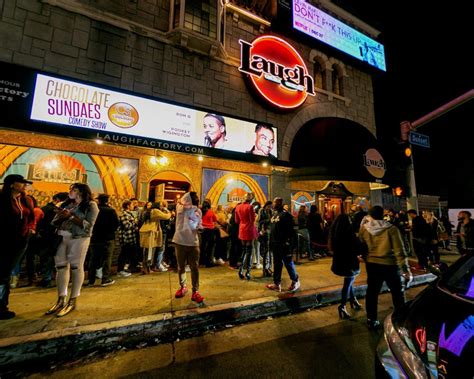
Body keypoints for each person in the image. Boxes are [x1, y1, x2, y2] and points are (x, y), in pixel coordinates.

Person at [45, 183, 99, 317]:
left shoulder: (91, 205)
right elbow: (53, 222)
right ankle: (61, 298)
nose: (70, 191)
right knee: (61, 267)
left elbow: (88, 225)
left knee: (76, 267)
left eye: (74, 189)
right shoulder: (66, 203)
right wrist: (60, 215)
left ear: (81, 191)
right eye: (70, 189)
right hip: (61, 236)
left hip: (79, 238)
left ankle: (73, 300)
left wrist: (70, 216)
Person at [359, 205, 412, 329]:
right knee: (397, 293)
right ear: (383, 215)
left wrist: (365, 256)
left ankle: (371, 319)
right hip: (390, 265)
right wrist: (405, 269)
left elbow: (361, 245)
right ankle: (400, 319)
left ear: (370, 215)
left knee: (372, 292)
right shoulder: (391, 229)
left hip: (372, 264)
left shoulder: (364, 229)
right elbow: (400, 250)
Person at [0, 174, 35, 320]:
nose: (24, 186)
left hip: (21, 241)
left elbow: (31, 217)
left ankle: (2, 306)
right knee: (2, 273)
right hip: (4, 240)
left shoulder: (26, 200)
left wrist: (30, 229)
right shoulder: (2, 200)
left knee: (5, 273)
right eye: (21, 183)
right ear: (12, 184)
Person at [172, 192, 205, 303]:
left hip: (193, 242)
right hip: (180, 241)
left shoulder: (197, 211)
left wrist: (199, 227)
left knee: (194, 267)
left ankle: (195, 291)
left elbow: (199, 224)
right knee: (181, 267)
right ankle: (183, 287)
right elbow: (185, 206)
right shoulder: (180, 208)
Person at [329, 214, 362, 320]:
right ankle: (342, 305)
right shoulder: (349, 233)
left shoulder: (335, 233)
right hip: (349, 262)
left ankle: (353, 299)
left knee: (349, 281)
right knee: (348, 283)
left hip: (340, 262)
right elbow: (357, 248)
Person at [266, 197, 300, 293]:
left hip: (284, 245)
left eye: (275, 202)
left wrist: (290, 244)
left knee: (288, 263)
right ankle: (277, 284)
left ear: (280, 203)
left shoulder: (286, 215)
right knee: (277, 264)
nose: (273, 204)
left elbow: (292, 231)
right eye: (273, 202)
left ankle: (295, 281)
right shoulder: (274, 214)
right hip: (275, 244)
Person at [37, 192, 69, 288]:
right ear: (58, 200)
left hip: (46, 236)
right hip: (53, 236)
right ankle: (47, 278)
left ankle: (46, 277)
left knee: (46, 257)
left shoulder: (44, 208)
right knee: (51, 257)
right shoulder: (55, 210)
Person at [87, 194, 119, 286]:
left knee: (93, 259)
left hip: (95, 237)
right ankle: (105, 279)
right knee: (107, 258)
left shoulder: (93, 210)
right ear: (107, 200)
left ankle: (91, 280)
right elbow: (116, 224)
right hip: (108, 237)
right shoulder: (111, 211)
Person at [139, 201, 171, 274]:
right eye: (160, 205)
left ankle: (145, 268)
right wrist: (167, 210)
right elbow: (166, 216)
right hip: (151, 232)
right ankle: (147, 269)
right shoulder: (155, 211)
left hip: (145, 231)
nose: (161, 206)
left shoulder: (148, 211)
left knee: (146, 251)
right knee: (150, 251)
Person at [235, 192, 258, 280]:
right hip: (249, 229)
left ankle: (240, 270)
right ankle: (248, 271)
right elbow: (252, 220)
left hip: (242, 229)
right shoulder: (250, 207)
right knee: (250, 251)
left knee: (244, 250)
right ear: (250, 199)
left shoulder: (238, 207)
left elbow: (237, 220)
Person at [117, 200, 138, 277]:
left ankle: (126, 268)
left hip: (131, 237)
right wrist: (134, 222)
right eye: (132, 205)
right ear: (128, 206)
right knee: (124, 254)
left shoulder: (129, 214)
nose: (133, 206)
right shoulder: (124, 214)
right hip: (126, 237)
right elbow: (126, 226)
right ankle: (120, 270)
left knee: (129, 253)